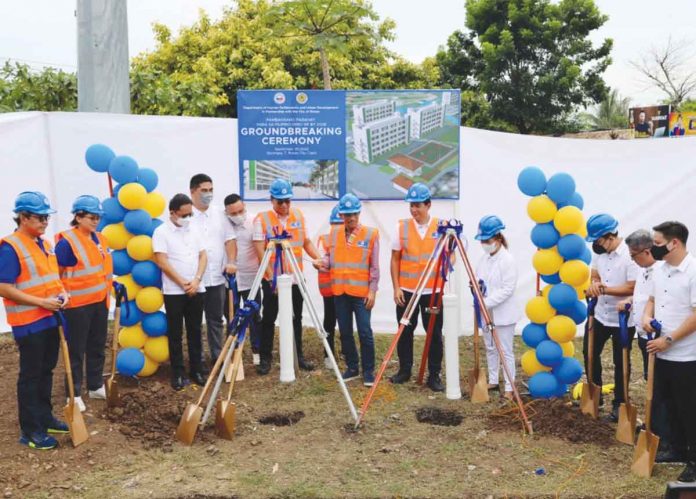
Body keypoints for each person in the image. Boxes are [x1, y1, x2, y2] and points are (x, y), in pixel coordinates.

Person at [0, 192, 70, 450]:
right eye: (40, 217)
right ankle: (30, 431)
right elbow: (4, 288)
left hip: (50, 319)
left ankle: (44, 417)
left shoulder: (45, 244)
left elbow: (51, 279)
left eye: (46, 217)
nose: (44, 222)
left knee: (46, 371)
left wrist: (63, 293)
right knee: (30, 375)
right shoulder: (11, 247)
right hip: (29, 323)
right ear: (23, 217)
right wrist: (41, 303)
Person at [643, 221, 696, 482]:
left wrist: (670, 339)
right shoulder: (660, 270)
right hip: (662, 353)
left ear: (674, 243)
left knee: (690, 408)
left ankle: (694, 460)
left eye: (658, 243)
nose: (653, 248)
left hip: (686, 355)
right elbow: (652, 300)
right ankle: (676, 448)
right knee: (669, 405)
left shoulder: (693, 271)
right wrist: (645, 315)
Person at [252, 179, 322, 375]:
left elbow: (306, 242)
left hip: (295, 278)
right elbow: (260, 253)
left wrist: (319, 259)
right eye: (280, 201)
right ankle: (266, 358)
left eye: (287, 201)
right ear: (272, 200)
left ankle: (297, 355)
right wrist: (269, 279)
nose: (284, 205)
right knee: (269, 318)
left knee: (296, 318)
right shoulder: (262, 219)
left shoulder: (298, 215)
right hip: (273, 280)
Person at [55, 195, 113, 412]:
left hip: (99, 302)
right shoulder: (66, 243)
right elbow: (55, 274)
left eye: (98, 217)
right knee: (76, 349)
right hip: (77, 306)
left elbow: (102, 269)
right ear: (78, 217)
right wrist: (60, 295)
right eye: (91, 217)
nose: (95, 221)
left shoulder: (100, 239)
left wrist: (112, 286)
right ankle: (74, 393)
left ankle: (95, 384)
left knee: (97, 345)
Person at [389, 183, 445, 392]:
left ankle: (434, 374)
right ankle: (404, 370)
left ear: (428, 205)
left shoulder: (442, 227)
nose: (414, 210)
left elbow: (454, 253)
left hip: (432, 292)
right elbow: (395, 259)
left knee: (434, 333)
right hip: (407, 291)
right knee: (405, 331)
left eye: (418, 205)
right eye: (411, 205)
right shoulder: (401, 227)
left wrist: (448, 266)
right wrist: (396, 287)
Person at [584, 213, 638, 422]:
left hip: (623, 318)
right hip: (600, 315)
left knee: (620, 361)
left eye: (598, 241)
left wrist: (605, 290)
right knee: (589, 353)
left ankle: (620, 404)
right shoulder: (600, 254)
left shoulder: (629, 255)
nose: (596, 245)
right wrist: (595, 284)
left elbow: (632, 287)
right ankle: (594, 397)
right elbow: (594, 273)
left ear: (609, 236)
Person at [322, 193, 379, 386]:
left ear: (359, 213)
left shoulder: (371, 234)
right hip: (340, 292)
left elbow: (374, 267)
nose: (351, 218)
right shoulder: (334, 234)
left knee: (365, 332)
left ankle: (369, 370)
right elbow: (329, 259)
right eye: (347, 215)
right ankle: (353, 367)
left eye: (354, 214)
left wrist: (372, 291)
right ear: (341, 216)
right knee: (345, 331)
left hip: (362, 294)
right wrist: (322, 263)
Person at [153, 194, 208, 391]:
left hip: (196, 287)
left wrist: (196, 280)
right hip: (174, 291)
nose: (187, 218)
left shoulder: (194, 229)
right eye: (183, 215)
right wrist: (182, 283)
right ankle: (177, 372)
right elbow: (162, 261)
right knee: (175, 332)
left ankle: (197, 369)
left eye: (190, 214)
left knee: (195, 330)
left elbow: (203, 255)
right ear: (173, 213)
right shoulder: (161, 232)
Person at [189, 173, 236, 364]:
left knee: (215, 320)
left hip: (216, 277)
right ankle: (197, 362)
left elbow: (230, 239)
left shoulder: (219, 215)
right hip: (193, 280)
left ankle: (218, 358)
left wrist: (231, 261)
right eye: (204, 190)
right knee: (193, 323)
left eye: (211, 190)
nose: (208, 194)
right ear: (193, 191)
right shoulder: (186, 215)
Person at [474, 215, 520, 399]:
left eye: (488, 240)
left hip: (503, 312)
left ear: (498, 238)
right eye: (482, 240)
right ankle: (493, 380)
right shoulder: (484, 259)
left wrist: (485, 302)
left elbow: (507, 289)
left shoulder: (507, 260)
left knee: (504, 350)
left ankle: (509, 387)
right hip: (487, 311)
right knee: (490, 347)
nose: (485, 243)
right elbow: (479, 280)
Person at [224, 193, 261, 365]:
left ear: (244, 206)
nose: (238, 216)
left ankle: (257, 352)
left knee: (253, 315)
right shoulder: (223, 224)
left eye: (241, 211)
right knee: (230, 316)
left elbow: (261, 249)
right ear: (227, 213)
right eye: (234, 213)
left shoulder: (255, 221)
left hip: (251, 277)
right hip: (229, 279)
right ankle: (232, 352)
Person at [316, 204, 343, 369]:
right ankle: (328, 354)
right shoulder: (324, 240)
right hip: (329, 290)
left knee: (345, 322)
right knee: (329, 322)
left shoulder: (349, 241)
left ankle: (346, 351)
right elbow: (321, 262)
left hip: (345, 289)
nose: (338, 229)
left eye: (341, 225)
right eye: (335, 225)